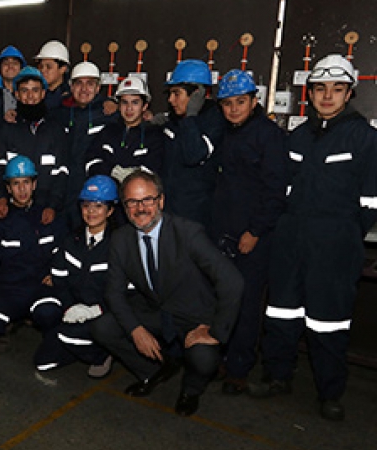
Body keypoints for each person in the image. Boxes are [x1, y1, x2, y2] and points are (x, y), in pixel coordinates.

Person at [248, 54, 377, 421]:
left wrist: (345, 234)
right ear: (311, 92)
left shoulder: (366, 139)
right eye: (320, 88)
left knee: (329, 321)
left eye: (337, 89)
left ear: (349, 93)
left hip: (334, 245)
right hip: (290, 241)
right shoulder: (299, 135)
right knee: (281, 313)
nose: (327, 96)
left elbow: (371, 202)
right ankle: (277, 376)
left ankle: (329, 392)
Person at [91, 169, 243, 416]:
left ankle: (190, 391)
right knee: (102, 327)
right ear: (124, 207)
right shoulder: (121, 239)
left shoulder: (188, 232)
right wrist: (136, 330)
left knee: (204, 358)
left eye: (147, 200)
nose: (140, 208)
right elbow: (114, 293)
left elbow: (232, 281)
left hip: (193, 316)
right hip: (155, 311)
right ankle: (152, 372)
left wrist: (215, 331)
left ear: (161, 200)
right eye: (132, 202)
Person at [212, 69, 288, 395]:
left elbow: (275, 190)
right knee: (222, 300)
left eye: (240, 102)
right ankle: (222, 357)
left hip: (251, 239)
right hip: (223, 233)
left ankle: (239, 369)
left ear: (254, 100)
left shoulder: (268, 136)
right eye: (227, 103)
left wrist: (255, 231)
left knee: (246, 304)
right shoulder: (224, 133)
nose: (233, 109)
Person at [33, 175, 118, 378]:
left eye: (98, 206)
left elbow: (126, 294)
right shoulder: (72, 240)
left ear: (111, 210)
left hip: (104, 315)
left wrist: (96, 310)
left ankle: (103, 353)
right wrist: (70, 306)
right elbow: (59, 279)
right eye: (86, 205)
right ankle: (71, 341)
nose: (91, 212)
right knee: (42, 363)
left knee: (71, 335)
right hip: (74, 308)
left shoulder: (118, 246)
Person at [0, 156, 65, 349]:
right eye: (16, 184)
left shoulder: (48, 217)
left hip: (39, 287)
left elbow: (63, 252)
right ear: (8, 188)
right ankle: (8, 321)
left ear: (34, 184)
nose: (22, 189)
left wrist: (55, 274)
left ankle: (32, 319)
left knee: (50, 313)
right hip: (8, 289)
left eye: (26, 182)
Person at [0, 66, 69, 225]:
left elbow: (62, 171)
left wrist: (52, 206)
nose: (30, 96)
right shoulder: (6, 128)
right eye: (24, 91)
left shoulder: (56, 129)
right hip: (12, 211)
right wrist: (1, 197)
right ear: (17, 94)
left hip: (47, 212)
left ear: (43, 93)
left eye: (35, 90)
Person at [159, 59, 226, 229]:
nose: (171, 100)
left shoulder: (215, 121)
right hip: (167, 212)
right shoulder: (173, 121)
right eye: (170, 94)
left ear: (197, 94)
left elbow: (194, 155)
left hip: (196, 217)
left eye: (177, 94)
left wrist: (190, 117)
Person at [55, 61, 118, 230]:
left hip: (96, 196)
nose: (84, 89)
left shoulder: (110, 114)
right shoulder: (59, 114)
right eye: (79, 83)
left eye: (90, 84)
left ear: (98, 88)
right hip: (63, 194)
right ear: (71, 87)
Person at [85, 77, 164, 185]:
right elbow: (91, 162)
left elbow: (153, 169)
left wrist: (129, 177)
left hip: (138, 198)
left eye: (135, 103)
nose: (129, 108)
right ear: (118, 105)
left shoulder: (154, 135)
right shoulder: (108, 131)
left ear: (144, 106)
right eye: (124, 102)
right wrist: (113, 171)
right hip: (107, 196)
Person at [34, 40, 71, 111]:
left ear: (63, 69)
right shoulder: (34, 92)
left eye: (49, 67)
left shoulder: (72, 96)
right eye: (41, 66)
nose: (43, 70)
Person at [0, 45, 26, 118]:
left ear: (21, 68)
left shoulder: (28, 91)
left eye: (15, 63)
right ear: (0, 68)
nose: (10, 66)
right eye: (6, 63)